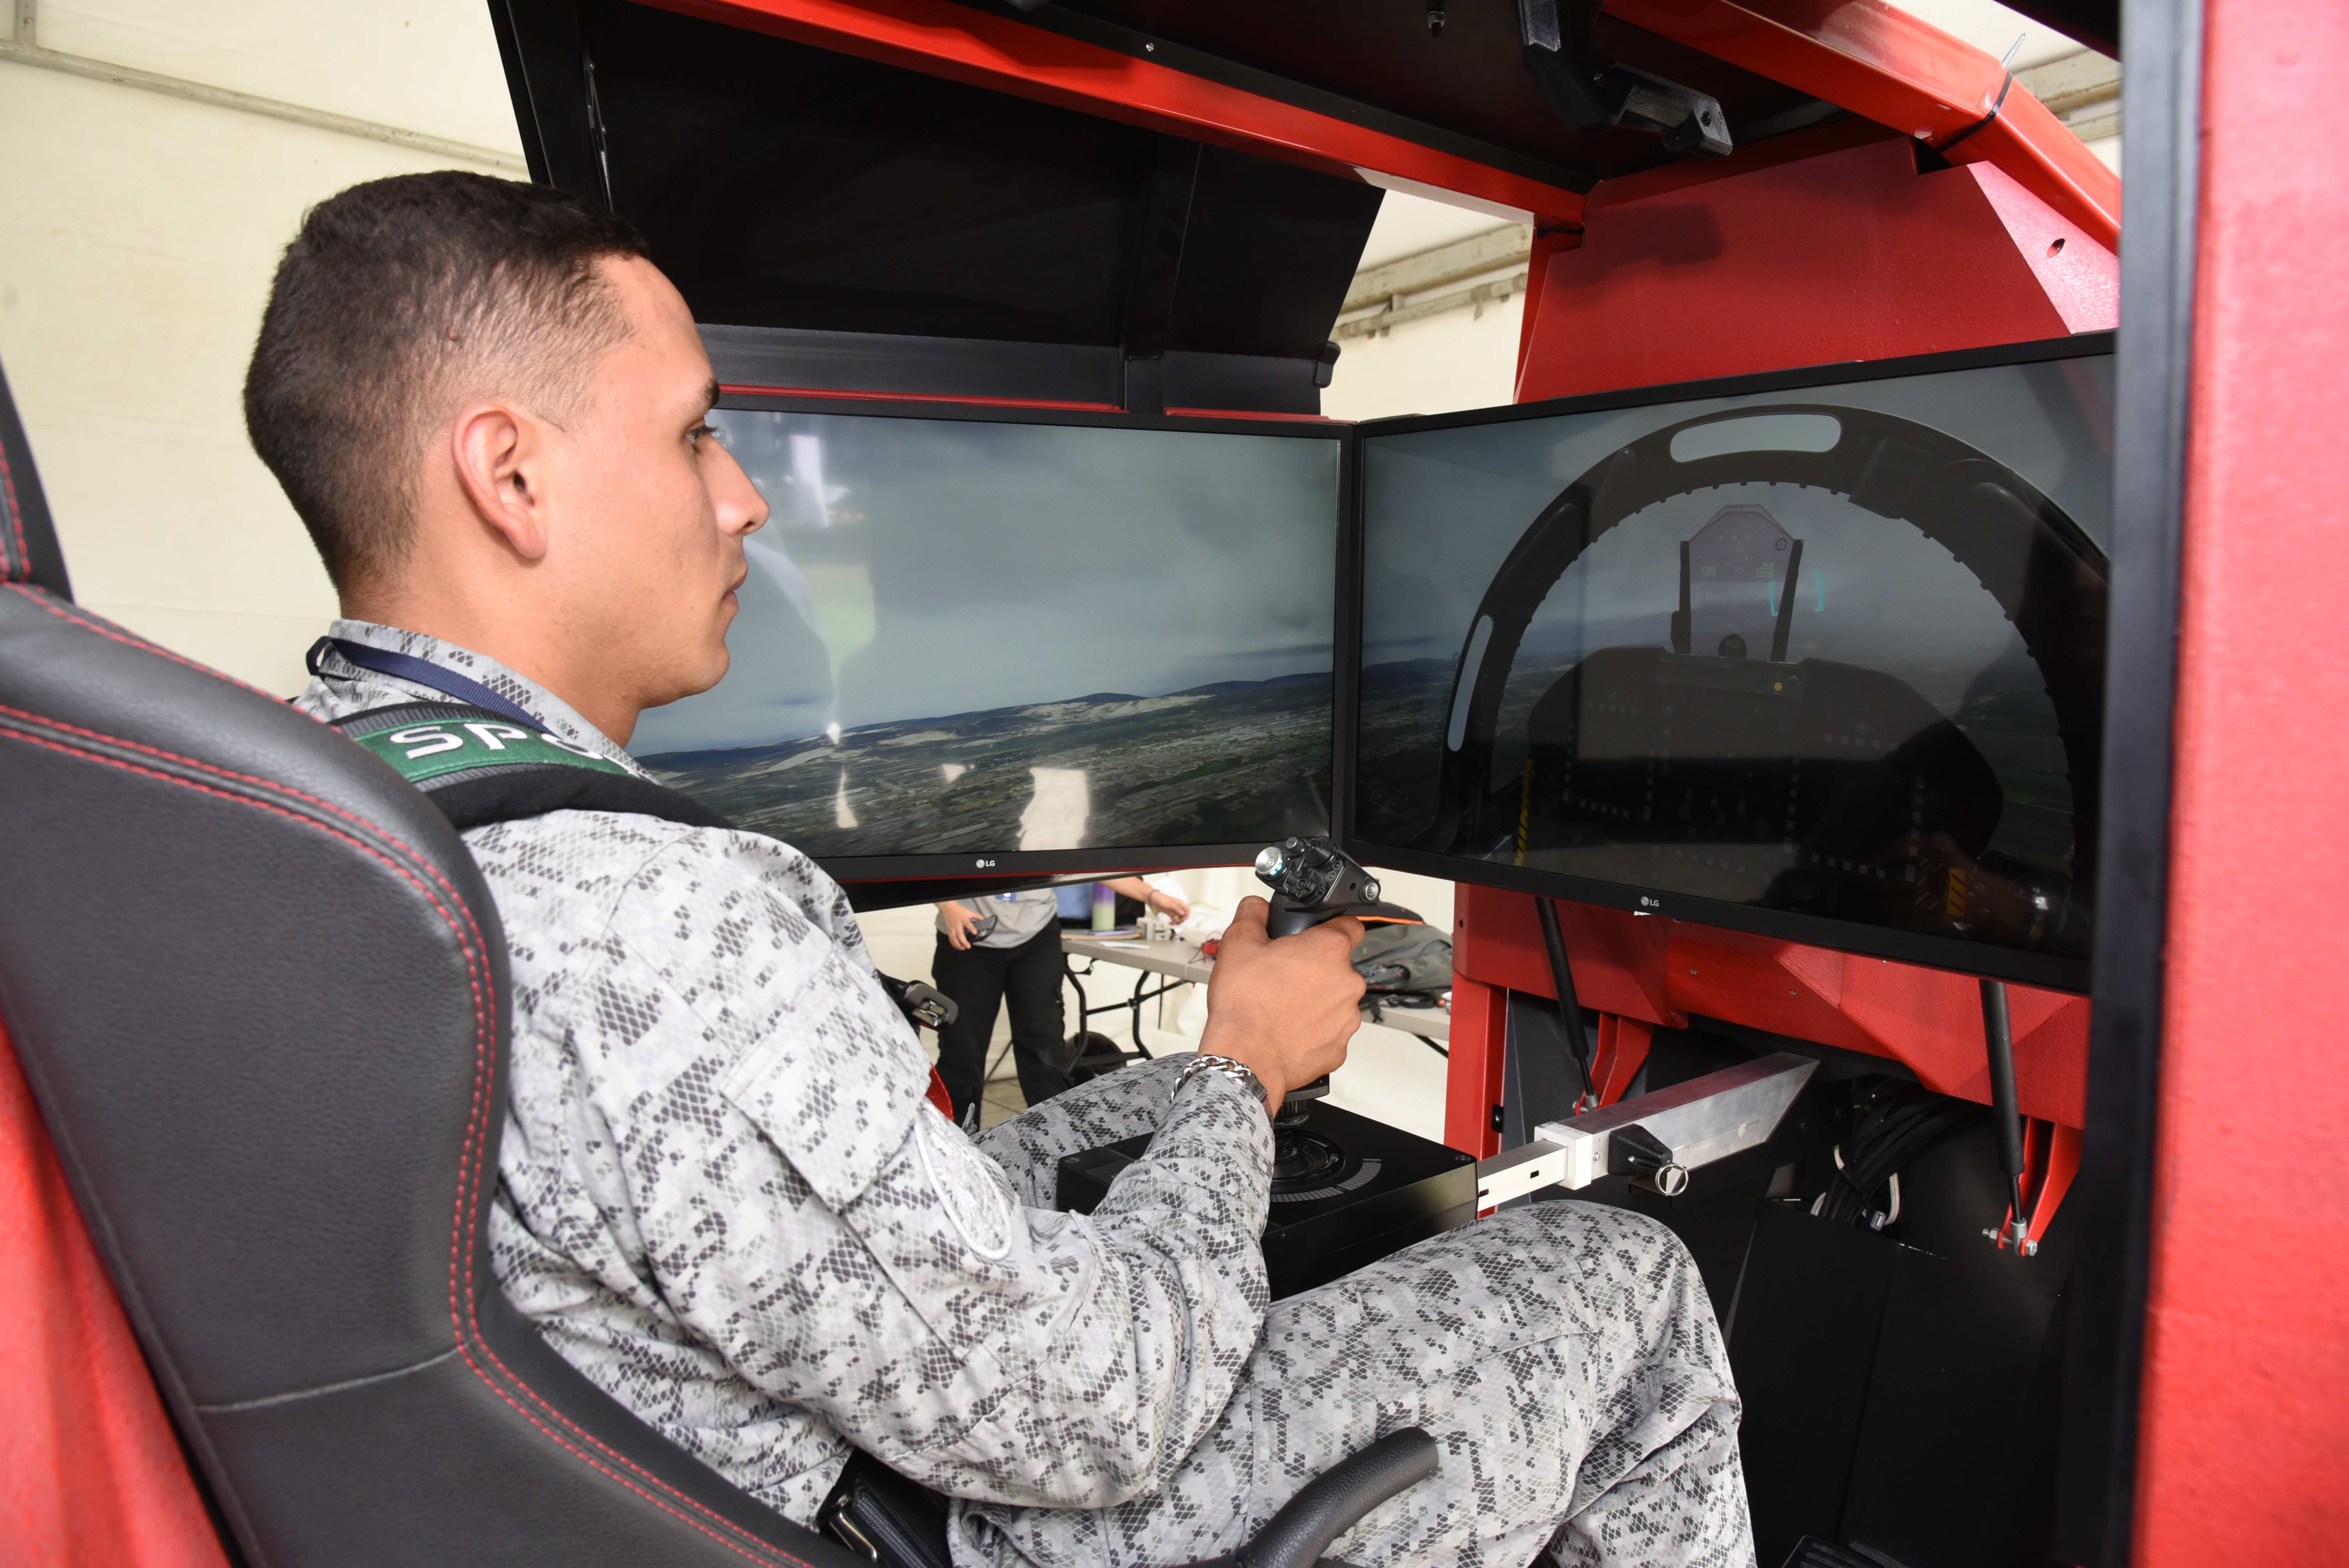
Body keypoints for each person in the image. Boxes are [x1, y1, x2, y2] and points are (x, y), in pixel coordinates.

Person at [250, 171, 1753, 1568]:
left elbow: (834, 1222)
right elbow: (1103, 1413)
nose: (743, 498)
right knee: (1624, 1277)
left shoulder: (301, 808)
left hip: (679, 1480)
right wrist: (1235, 1080)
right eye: (693, 433)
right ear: (508, 474)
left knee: (1179, 1134)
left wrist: (1194, 1088)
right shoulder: (657, 916)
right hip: (968, 1520)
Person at [932, 878, 1190, 1126]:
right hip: (966, 936)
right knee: (962, 1055)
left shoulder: (1049, 834)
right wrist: (948, 906)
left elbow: (1088, 863)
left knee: (1045, 1051)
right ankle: (953, 1147)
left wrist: (1153, 897)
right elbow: (927, 859)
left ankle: (1053, 1144)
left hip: (1037, 937)